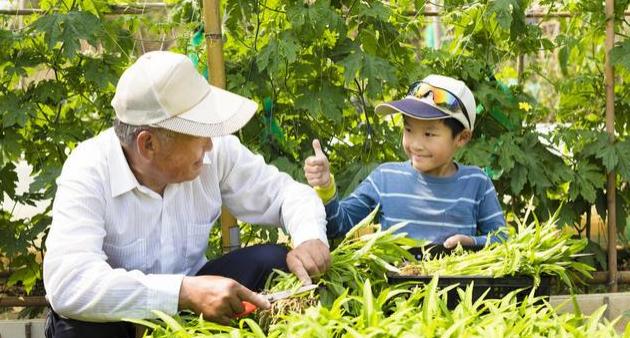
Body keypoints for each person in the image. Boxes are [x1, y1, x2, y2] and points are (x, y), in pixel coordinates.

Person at [43, 51, 331, 338]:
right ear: (148, 144)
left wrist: (309, 237)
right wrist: (182, 292)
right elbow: (70, 282)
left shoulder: (215, 152)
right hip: (121, 320)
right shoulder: (90, 169)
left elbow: (285, 194)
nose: (210, 144)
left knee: (274, 260)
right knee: (77, 328)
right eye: (198, 133)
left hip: (194, 305)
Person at [304, 74, 506, 248]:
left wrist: (472, 243)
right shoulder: (385, 179)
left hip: (455, 289)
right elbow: (338, 225)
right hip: (396, 290)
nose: (416, 144)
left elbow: (502, 239)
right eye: (408, 130)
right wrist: (325, 187)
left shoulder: (476, 183)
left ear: (461, 138)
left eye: (429, 134)